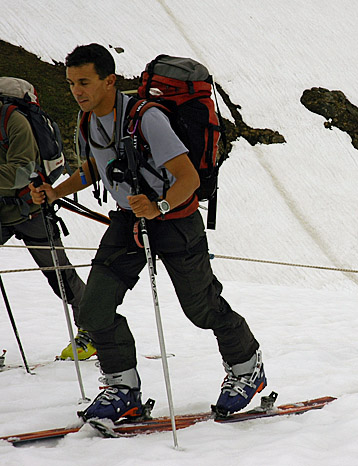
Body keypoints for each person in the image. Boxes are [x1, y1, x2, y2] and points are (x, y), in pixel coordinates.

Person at [30, 44, 265, 422]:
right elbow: (97, 165)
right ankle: (123, 389)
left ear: (109, 81)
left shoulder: (148, 118)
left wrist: (160, 207)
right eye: (72, 83)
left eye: (85, 82)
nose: (77, 90)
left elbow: (187, 178)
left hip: (175, 220)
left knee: (202, 308)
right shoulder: (88, 119)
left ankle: (246, 368)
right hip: (128, 221)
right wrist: (57, 190)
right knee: (94, 308)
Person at [0, 77, 94, 361]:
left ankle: (94, 331)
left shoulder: (14, 120)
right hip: (8, 208)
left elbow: (20, 172)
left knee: (60, 275)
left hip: (30, 207)